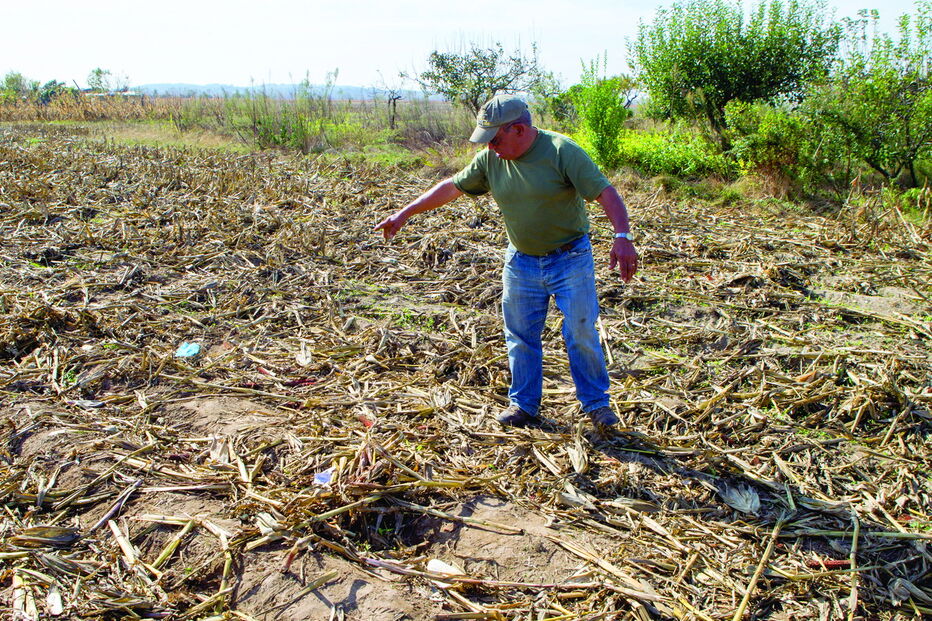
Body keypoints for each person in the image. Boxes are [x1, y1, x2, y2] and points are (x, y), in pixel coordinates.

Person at [375, 94, 638, 428]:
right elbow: (452, 187)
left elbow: (605, 192)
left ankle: (597, 405)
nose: (490, 147)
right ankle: (524, 405)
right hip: (521, 262)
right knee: (520, 335)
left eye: (495, 139)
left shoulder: (561, 151)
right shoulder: (491, 159)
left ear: (519, 129)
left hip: (570, 258)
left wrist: (623, 237)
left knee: (580, 331)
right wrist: (404, 213)